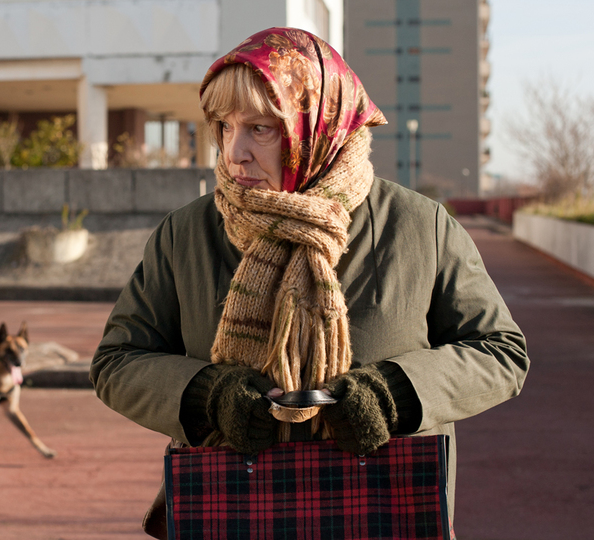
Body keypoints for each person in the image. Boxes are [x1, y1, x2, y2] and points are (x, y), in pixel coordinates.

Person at [90, 27, 529, 538]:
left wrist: (398, 394)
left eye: (261, 128)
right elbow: (117, 360)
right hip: (236, 509)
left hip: (384, 509)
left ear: (319, 125)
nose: (235, 152)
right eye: (224, 126)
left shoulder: (419, 225)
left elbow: (501, 351)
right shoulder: (183, 234)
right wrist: (207, 396)